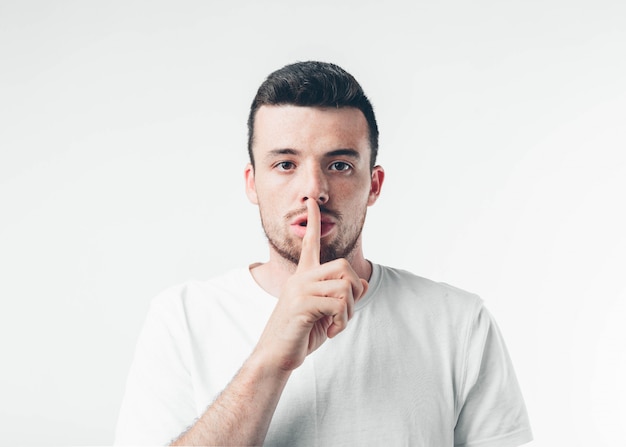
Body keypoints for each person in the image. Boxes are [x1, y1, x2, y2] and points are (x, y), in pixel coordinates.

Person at [115, 61, 533, 446]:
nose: (313, 189)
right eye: (285, 164)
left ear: (374, 185)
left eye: (339, 165)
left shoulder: (458, 323)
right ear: (252, 183)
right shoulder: (184, 318)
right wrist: (269, 360)